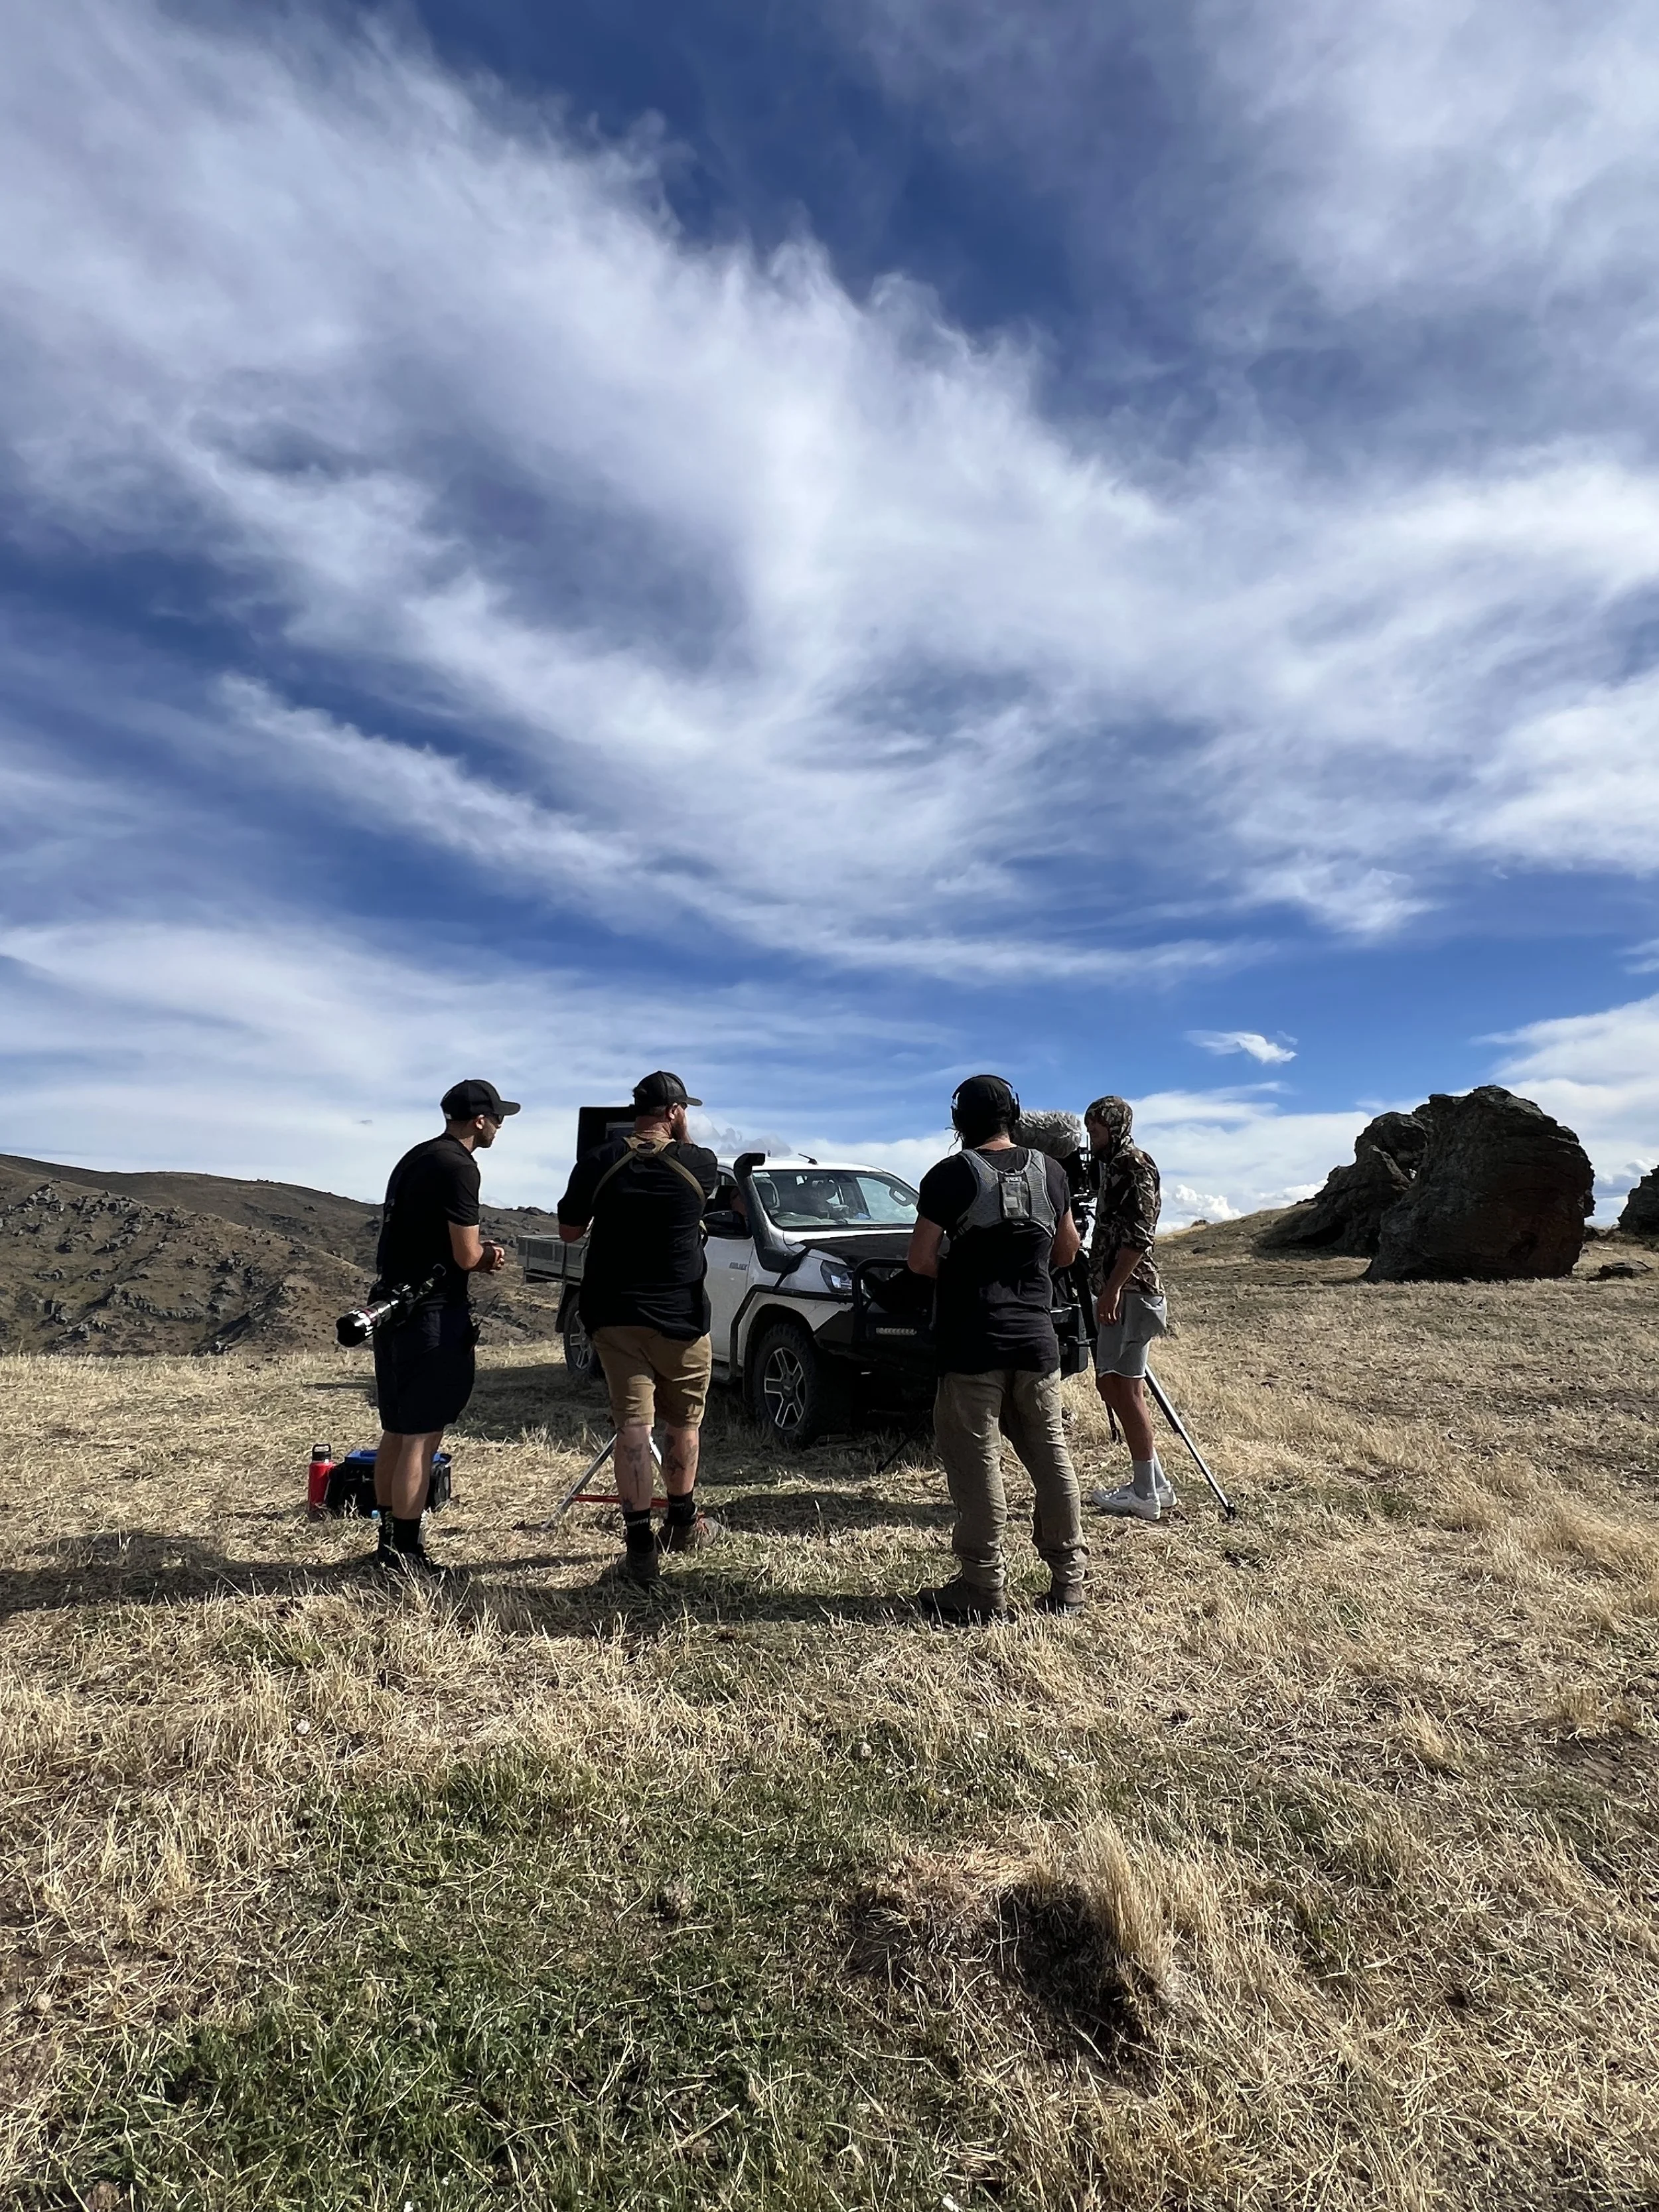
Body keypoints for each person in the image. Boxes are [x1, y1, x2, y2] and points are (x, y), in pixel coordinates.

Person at [905, 1074, 1087, 1623]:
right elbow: (1067, 1250)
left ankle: (983, 1586)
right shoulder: (1051, 1171)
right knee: (1052, 1455)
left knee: (977, 1460)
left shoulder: (949, 1175)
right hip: (1037, 1340)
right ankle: (1068, 1581)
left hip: (972, 1342)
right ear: (1015, 1115)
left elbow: (919, 1259)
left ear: (959, 1122)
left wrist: (965, 1275)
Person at [557, 1070, 723, 1586]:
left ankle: (638, 1548)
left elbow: (569, 1231)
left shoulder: (599, 1160)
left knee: (632, 1427)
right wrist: (681, 1137)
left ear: (637, 1109)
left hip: (615, 1314)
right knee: (683, 1424)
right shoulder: (700, 1162)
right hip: (681, 1317)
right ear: (675, 1112)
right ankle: (682, 1522)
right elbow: (701, 1201)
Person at [370, 1078, 516, 1580]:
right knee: (421, 1436)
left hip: (393, 1308)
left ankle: (388, 1543)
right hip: (431, 1313)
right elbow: (465, 1254)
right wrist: (489, 1257)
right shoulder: (461, 1167)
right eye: (497, 1119)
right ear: (479, 1120)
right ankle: (408, 1555)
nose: (499, 1127)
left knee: (396, 1428)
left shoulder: (416, 1157)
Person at [1084, 1094, 1174, 1522]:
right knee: (1120, 1385)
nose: (1092, 1139)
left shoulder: (1134, 1165)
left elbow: (1139, 1236)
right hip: (1123, 1291)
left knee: (1121, 1386)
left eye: (1097, 1131)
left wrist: (1112, 1289)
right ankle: (1154, 1484)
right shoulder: (1111, 1165)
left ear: (1116, 1127)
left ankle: (1143, 1491)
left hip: (1131, 1292)